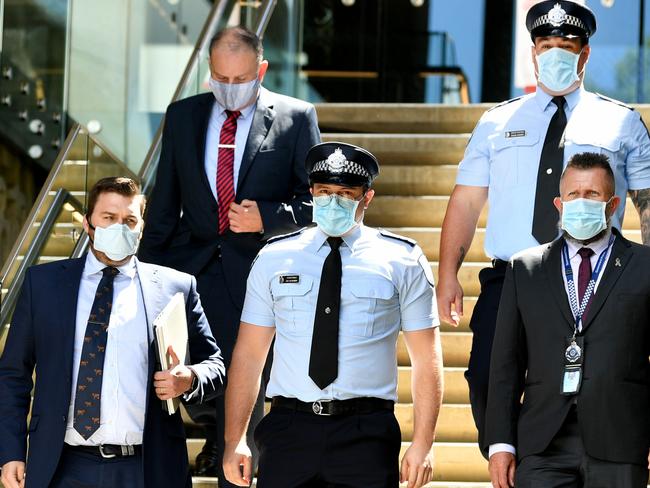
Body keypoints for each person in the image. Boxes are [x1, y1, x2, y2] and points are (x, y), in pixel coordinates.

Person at [437, 0, 650, 456]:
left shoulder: (622, 122)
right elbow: (467, 200)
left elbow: (647, 203)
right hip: (511, 278)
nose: (556, 53)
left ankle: (559, 469)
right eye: (546, 44)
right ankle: (511, 460)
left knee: (594, 386)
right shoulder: (496, 122)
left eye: (567, 45)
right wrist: (447, 275)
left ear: (585, 53)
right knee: (484, 381)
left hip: (595, 278)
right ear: (533, 51)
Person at [137, 25, 321, 480]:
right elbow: (164, 204)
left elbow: (320, 202)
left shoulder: (296, 117)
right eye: (221, 78)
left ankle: (232, 464)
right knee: (187, 374)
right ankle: (211, 439)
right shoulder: (183, 116)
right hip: (191, 269)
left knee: (247, 387)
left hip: (259, 272)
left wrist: (269, 217)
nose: (230, 89)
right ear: (209, 73)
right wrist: (140, 272)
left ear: (261, 71)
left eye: (240, 80)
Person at [221, 141, 443, 488]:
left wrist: (423, 443)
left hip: (366, 432)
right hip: (288, 428)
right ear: (311, 193)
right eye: (324, 192)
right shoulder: (274, 257)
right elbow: (249, 356)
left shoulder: (401, 260)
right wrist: (235, 440)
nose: (332, 201)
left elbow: (426, 359)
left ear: (366, 198)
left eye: (345, 193)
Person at [0, 177, 225, 488]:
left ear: (141, 227)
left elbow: (215, 364)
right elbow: (13, 375)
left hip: (147, 469)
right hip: (62, 467)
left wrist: (188, 379)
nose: (120, 227)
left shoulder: (175, 287)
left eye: (129, 220)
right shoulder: (43, 284)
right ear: (87, 224)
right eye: (109, 218)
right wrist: (10, 452)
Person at [485, 153, 650, 488]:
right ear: (559, 204)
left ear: (613, 203)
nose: (581, 202)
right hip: (543, 441)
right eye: (573, 195)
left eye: (592, 195)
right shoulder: (525, 268)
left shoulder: (644, 265)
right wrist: (501, 442)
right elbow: (505, 362)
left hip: (621, 439)